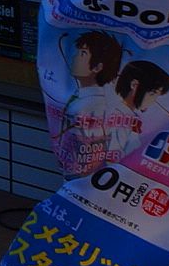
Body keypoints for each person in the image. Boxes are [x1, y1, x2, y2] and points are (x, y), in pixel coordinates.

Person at [53, 31, 126, 175]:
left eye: (82, 54)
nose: (74, 57)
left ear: (97, 67)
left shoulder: (95, 106)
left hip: (83, 179)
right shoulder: (82, 97)